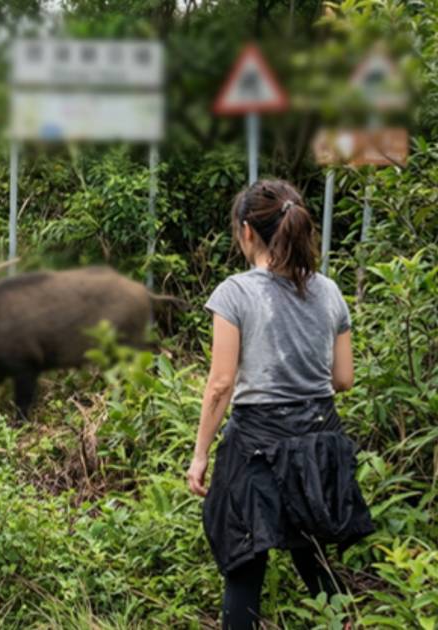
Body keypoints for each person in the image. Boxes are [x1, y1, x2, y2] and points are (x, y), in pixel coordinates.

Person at [186, 179, 373, 629]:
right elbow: (343, 379)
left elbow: (220, 384)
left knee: (243, 560)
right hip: (319, 442)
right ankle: (345, 625)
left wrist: (199, 455)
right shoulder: (329, 291)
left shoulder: (237, 292)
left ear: (247, 231)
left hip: (257, 447)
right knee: (310, 551)